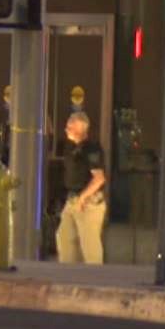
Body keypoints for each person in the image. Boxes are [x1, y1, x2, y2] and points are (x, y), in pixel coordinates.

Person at [56, 111, 107, 264]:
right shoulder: (69, 148)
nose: (67, 127)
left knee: (90, 247)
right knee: (64, 239)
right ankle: (69, 277)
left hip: (88, 202)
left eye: (71, 124)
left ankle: (94, 282)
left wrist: (83, 198)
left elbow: (99, 179)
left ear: (81, 127)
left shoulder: (91, 149)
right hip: (72, 200)